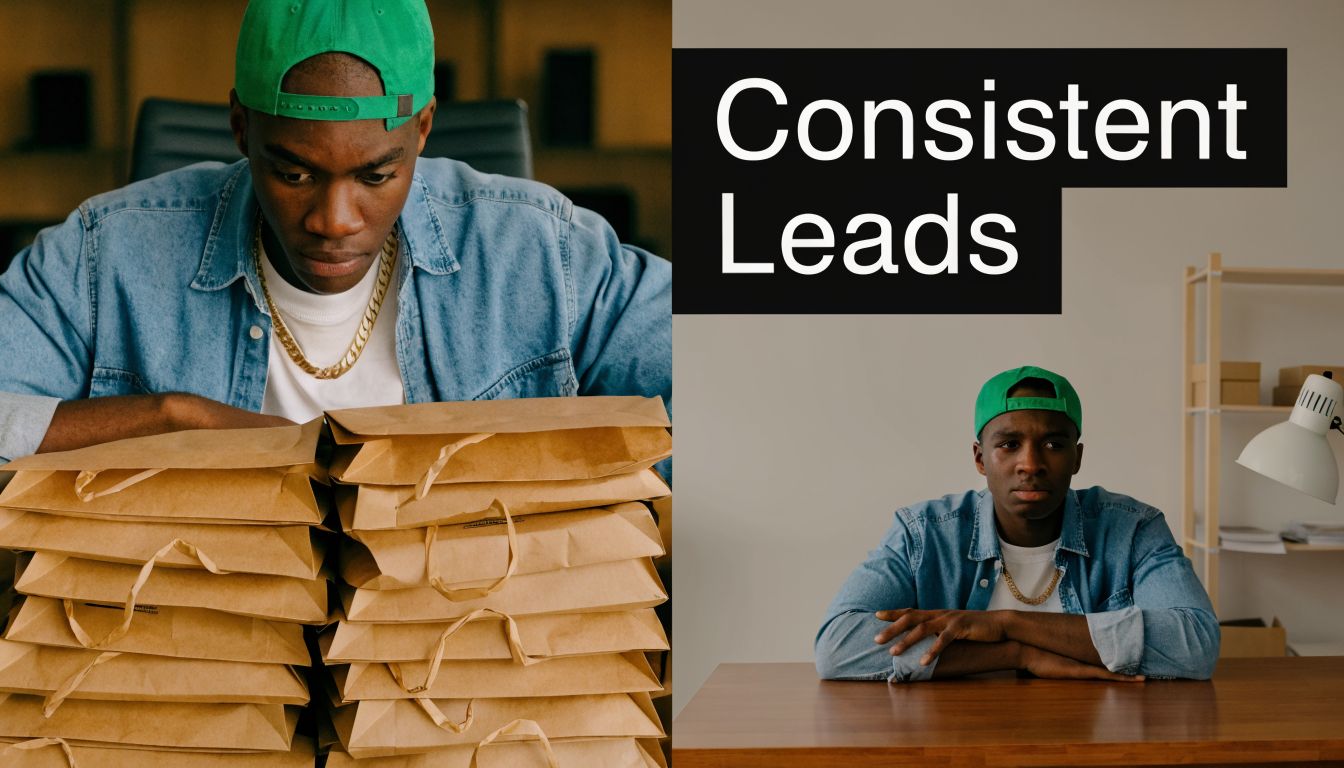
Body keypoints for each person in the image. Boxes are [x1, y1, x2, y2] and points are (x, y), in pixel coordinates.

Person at [0, 0, 669, 461]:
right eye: (293, 174)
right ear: (241, 128)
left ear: (424, 129)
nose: (333, 221)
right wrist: (176, 419)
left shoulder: (542, 250)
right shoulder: (105, 253)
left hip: (470, 645)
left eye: (377, 176)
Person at [815, 365, 1218, 682]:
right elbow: (839, 647)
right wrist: (1017, 653)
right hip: (955, 739)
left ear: (1077, 458)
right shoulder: (923, 531)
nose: (1031, 464)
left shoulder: (1133, 529)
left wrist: (1006, 623)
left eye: (1054, 445)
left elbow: (1195, 645)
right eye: (1009, 445)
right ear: (979, 457)